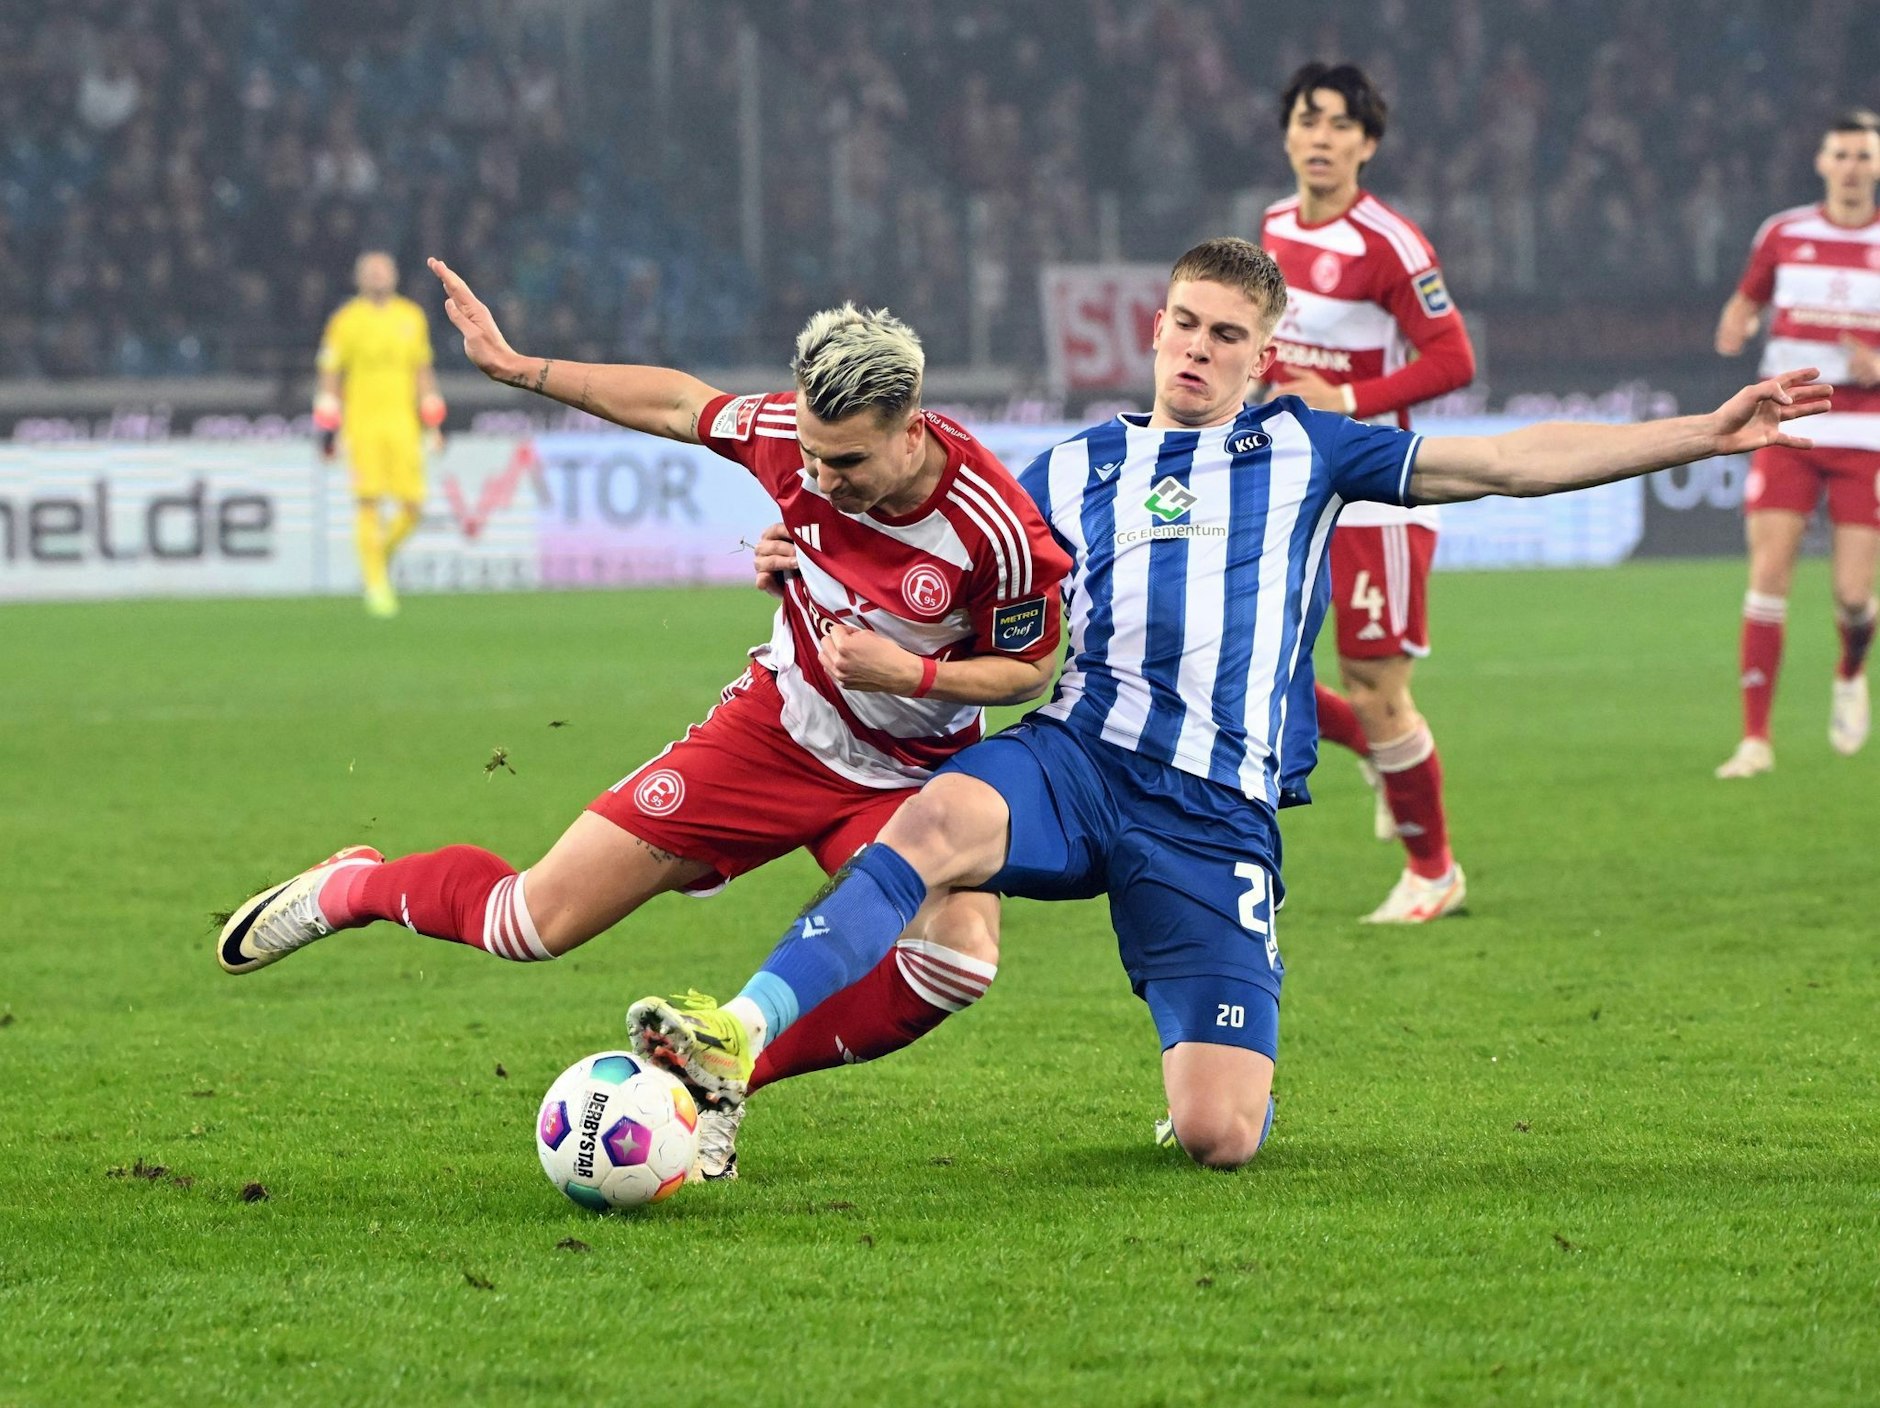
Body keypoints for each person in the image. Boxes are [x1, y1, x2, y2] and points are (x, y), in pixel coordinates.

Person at [626, 236, 1830, 1170]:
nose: (1197, 348)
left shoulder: (1310, 449)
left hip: (1213, 814)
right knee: (929, 828)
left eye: (1227, 334)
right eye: (1185, 325)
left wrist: (1698, 433)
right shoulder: (1070, 468)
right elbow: (935, 566)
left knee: (1218, 1136)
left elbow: (1508, 461)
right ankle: (735, 1032)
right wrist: (805, 563)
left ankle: (1206, 1068)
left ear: (1264, 352)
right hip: (1077, 758)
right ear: (1157, 329)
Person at [221, 259, 1072, 1178]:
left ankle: (726, 1073)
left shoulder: (996, 530)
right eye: (815, 457)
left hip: (905, 781)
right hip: (774, 734)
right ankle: (351, 887)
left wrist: (912, 670)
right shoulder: (789, 435)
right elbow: (679, 405)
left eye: (849, 462)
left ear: (911, 432)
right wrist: (519, 368)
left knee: (958, 960)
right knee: (528, 923)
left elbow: (1029, 669)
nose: (821, 479)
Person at [1261, 63, 1477, 922]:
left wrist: (1343, 400)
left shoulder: (1390, 243)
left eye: (1341, 125)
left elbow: (1453, 361)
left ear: (1367, 143)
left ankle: (1435, 871)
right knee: (1262, 663)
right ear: (1287, 134)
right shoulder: (1274, 226)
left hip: (1377, 489)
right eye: (1309, 120)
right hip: (1290, 479)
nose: (1321, 137)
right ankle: (1382, 760)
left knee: (1376, 684)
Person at [1713, 108, 1880, 777]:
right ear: (1820, 162)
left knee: (1850, 595)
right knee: (1769, 574)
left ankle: (1849, 669)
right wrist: (1733, 326)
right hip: (1786, 428)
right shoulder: (1784, 232)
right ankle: (1756, 739)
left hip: (1866, 432)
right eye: (1840, 154)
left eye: (1863, 155)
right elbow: (1746, 301)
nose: (1851, 167)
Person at [313, 251, 450, 618]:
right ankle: (376, 586)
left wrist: (433, 422)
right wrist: (327, 427)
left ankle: (375, 560)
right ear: (359, 278)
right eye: (370, 271)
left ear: (393, 275)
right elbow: (331, 374)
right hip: (362, 425)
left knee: (414, 507)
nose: (377, 276)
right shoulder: (345, 321)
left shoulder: (411, 317)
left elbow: (422, 372)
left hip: (403, 425)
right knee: (369, 502)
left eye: (382, 270)